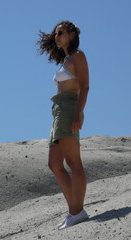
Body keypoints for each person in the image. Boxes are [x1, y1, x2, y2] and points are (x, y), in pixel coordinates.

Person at [37, 21, 90, 230]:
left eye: (61, 32)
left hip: (69, 108)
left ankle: (77, 212)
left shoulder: (78, 56)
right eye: (55, 33)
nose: (56, 36)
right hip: (57, 111)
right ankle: (74, 211)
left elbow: (85, 87)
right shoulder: (65, 59)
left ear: (71, 34)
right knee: (54, 164)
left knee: (74, 162)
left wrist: (78, 113)